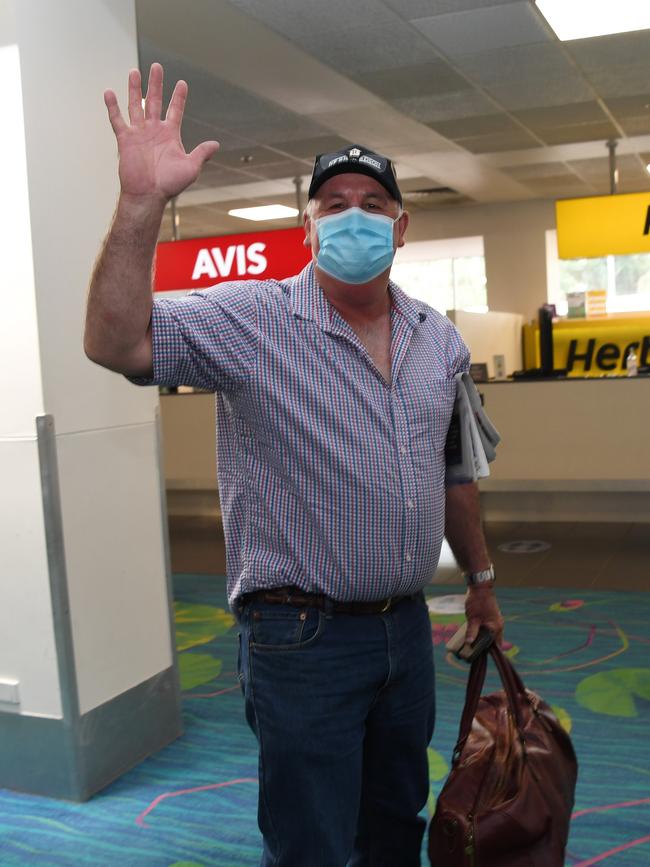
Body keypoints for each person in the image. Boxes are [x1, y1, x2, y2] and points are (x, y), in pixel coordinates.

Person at [85, 63, 504, 867]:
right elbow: (117, 343)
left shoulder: (438, 340)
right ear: (307, 230)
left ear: (403, 227)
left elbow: (453, 470)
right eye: (334, 207)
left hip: (406, 631)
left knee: (394, 823)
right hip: (299, 639)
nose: (355, 220)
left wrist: (481, 583)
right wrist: (142, 203)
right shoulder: (251, 320)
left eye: (373, 206)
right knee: (310, 841)